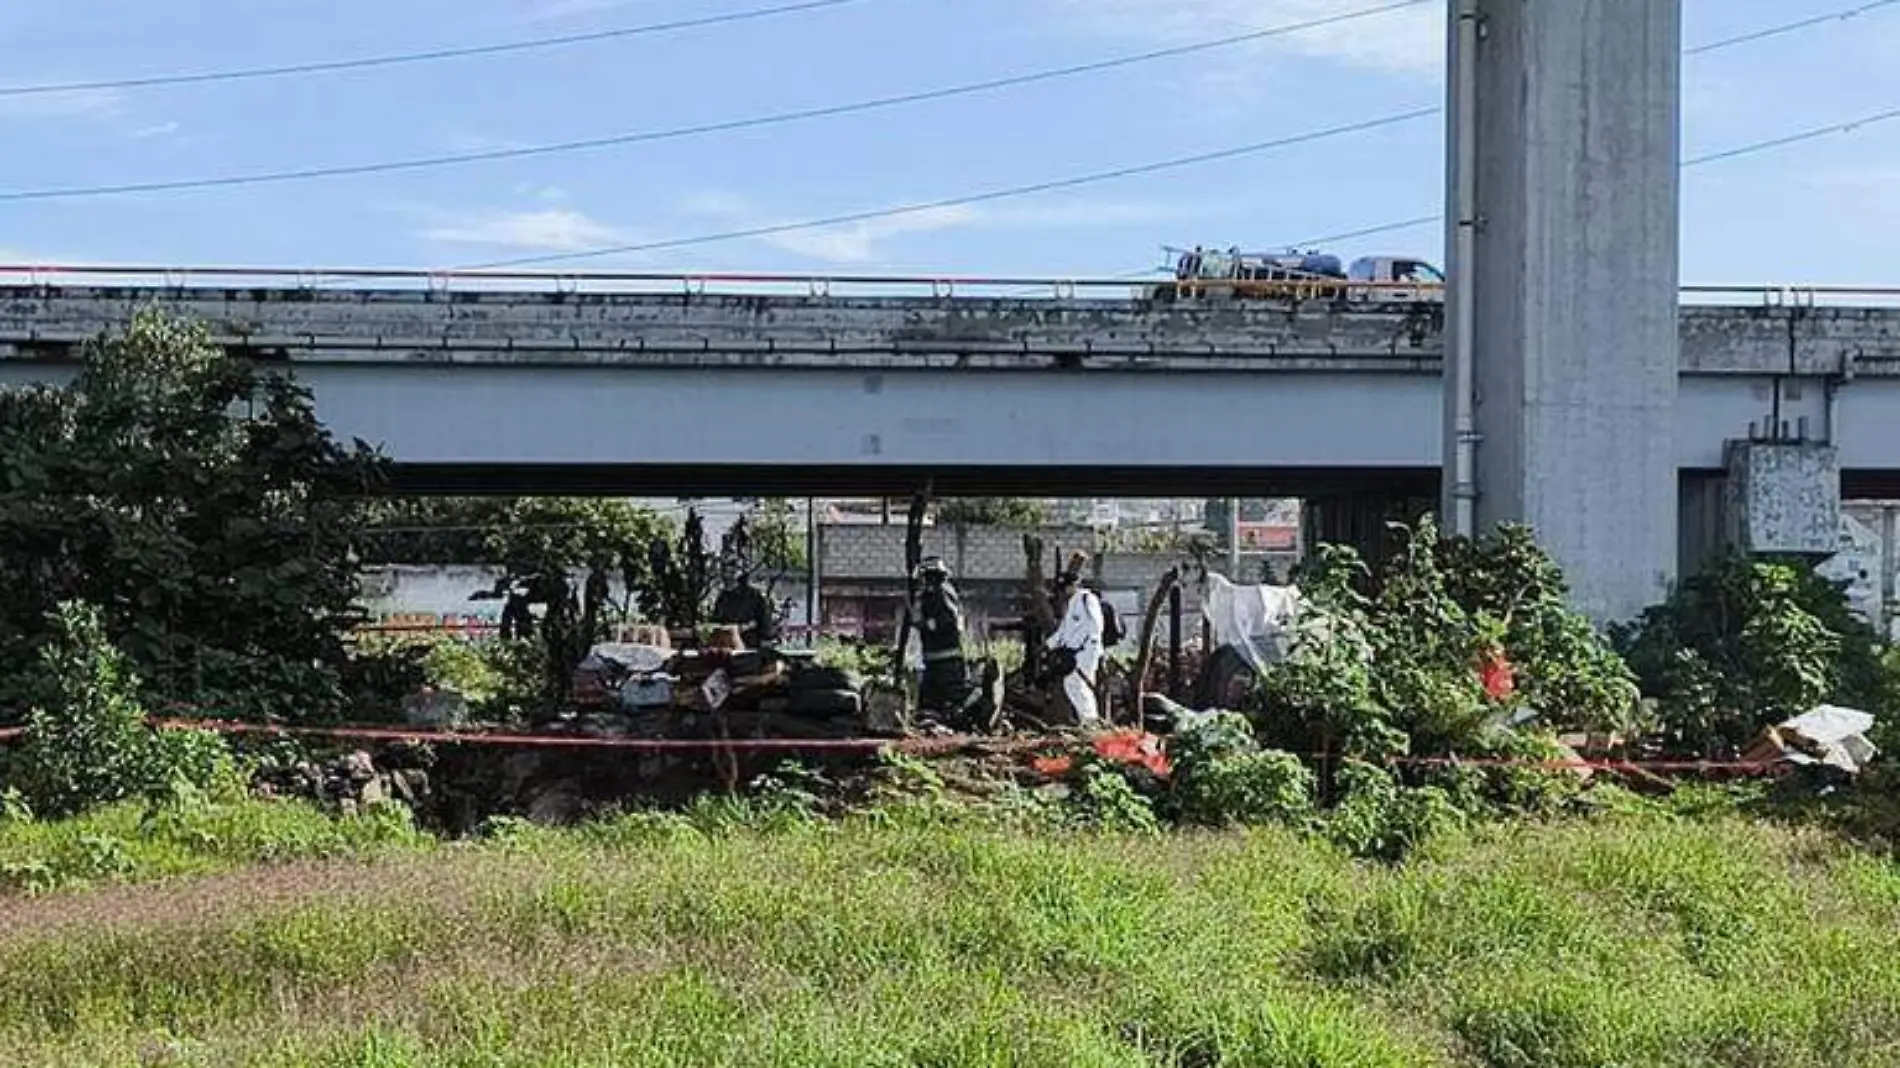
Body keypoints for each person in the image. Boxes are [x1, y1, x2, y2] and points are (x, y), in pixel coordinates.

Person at [1046, 555, 1104, 725]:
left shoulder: (1088, 599)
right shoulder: (1072, 603)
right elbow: (1065, 630)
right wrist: (1050, 645)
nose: (1064, 591)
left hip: (1086, 650)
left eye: (1066, 587)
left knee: (1079, 685)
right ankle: (1086, 720)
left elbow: (1096, 626)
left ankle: (1090, 721)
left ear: (1074, 585)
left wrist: (1084, 647)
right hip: (1072, 652)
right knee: (1072, 685)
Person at [914, 556, 970, 714]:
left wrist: (926, 624)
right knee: (930, 707)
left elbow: (946, 621)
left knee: (954, 704)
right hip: (936, 661)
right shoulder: (940, 592)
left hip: (946, 662)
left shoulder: (940, 593)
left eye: (925, 578)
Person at [709, 559, 777, 648]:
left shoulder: (753, 595)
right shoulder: (722, 598)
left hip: (750, 646)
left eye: (731, 572)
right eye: (725, 571)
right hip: (726, 646)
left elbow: (765, 624)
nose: (727, 575)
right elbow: (716, 623)